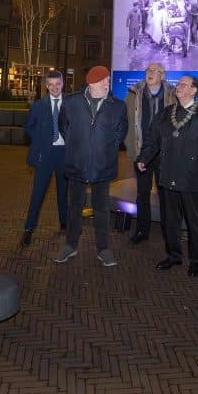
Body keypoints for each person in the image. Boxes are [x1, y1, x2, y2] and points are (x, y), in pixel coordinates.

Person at [137, 74, 198, 277]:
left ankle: (195, 260)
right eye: (178, 84)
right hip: (166, 174)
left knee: (193, 221)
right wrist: (144, 158)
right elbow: (152, 139)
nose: (179, 87)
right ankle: (173, 256)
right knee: (169, 220)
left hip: (190, 176)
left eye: (184, 85)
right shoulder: (166, 114)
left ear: (194, 90)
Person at [53, 66, 128, 267]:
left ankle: (103, 249)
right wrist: (78, 146)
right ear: (91, 82)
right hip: (76, 164)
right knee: (74, 208)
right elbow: (64, 127)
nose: (107, 84)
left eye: (108, 80)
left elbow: (121, 133)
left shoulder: (118, 106)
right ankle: (70, 245)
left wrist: (105, 149)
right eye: (103, 80)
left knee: (102, 209)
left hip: (103, 167)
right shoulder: (71, 102)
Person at [124, 63, 177, 244]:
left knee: (165, 195)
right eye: (148, 70)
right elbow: (126, 122)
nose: (151, 73)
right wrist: (129, 145)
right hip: (142, 152)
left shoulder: (173, 95)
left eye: (156, 71)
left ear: (163, 76)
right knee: (142, 194)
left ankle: (167, 232)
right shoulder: (133, 94)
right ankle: (142, 231)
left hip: (164, 154)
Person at [20, 70, 68, 247]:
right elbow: (29, 126)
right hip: (45, 155)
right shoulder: (39, 105)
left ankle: (64, 223)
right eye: (51, 84)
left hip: (64, 153)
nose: (55, 88)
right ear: (46, 86)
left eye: (58, 84)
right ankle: (28, 229)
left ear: (62, 84)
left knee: (64, 192)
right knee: (38, 193)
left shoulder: (70, 103)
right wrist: (41, 141)